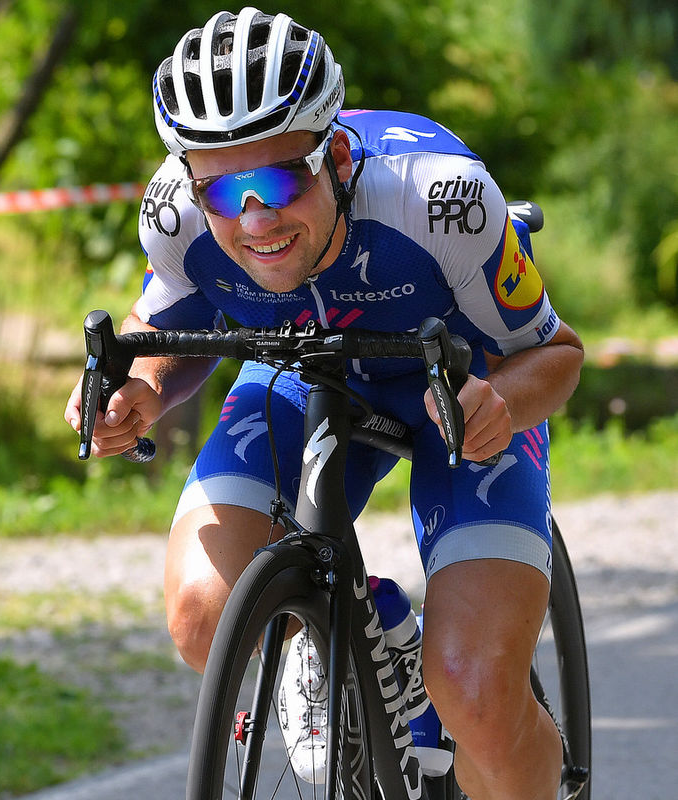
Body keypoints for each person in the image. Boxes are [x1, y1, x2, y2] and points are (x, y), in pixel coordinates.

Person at [64, 7, 583, 800]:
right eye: (222, 190)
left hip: (461, 389)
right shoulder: (174, 211)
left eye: (277, 180)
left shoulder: (440, 201)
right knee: (205, 618)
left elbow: (557, 354)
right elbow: (160, 329)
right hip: (301, 372)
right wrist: (138, 389)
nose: (255, 218)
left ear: (335, 154)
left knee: (474, 691)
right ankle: (353, 638)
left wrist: (502, 404)